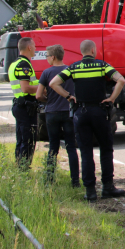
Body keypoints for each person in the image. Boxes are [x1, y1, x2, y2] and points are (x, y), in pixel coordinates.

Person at [50, 40, 125, 202]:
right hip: (99, 111)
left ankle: (90, 191)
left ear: (82, 51)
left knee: (86, 152)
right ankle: (107, 187)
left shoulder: (73, 67)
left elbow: (53, 83)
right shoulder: (102, 65)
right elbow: (120, 80)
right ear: (93, 50)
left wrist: (68, 96)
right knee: (106, 149)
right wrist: (112, 98)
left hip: (81, 112)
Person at [36, 44, 80, 187]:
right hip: (68, 112)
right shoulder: (70, 71)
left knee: (53, 147)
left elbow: (38, 95)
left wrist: (48, 100)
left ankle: (49, 179)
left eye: (47, 56)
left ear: (53, 57)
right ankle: (75, 181)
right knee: (71, 147)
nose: (47, 59)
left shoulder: (46, 73)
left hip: (52, 112)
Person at [8, 37, 39, 169]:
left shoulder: (15, 63)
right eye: (34, 46)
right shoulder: (24, 65)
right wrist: (43, 88)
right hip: (26, 107)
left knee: (21, 139)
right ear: (29, 47)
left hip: (20, 105)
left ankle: (19, 166)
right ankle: (23, 168)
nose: (36, 49)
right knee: (28, 140)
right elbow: (25, 88)